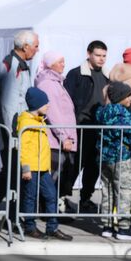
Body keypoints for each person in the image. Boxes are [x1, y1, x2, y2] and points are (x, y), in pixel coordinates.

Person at [0, 30, 39, 214]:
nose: (37, 49)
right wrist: (14, 132)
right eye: (35, 46)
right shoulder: (13, 66)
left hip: (12, 125)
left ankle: (8, 213)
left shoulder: (20, 64)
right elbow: (8, 104)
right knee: (11, 171)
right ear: (25, 46)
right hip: (9, 127)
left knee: (12, 171)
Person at [16, 87, 69, 240]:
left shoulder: (40, 121)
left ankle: (52, 227)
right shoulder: (26, 123)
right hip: (31, 169)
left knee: (51, 195)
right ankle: (29, 227)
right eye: (45, 103)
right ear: (36, 104)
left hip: (43, 168)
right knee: (30, 197)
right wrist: (25, 168)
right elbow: (23, 149)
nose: (48, 105)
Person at [64, 40, 109, 217]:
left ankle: (85, 198)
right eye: (98, 55)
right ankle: (62, 197)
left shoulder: (107, 75)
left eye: (104, 56)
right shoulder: (76, 74)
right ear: (89, 54)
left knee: (94, 166)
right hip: (81, 127)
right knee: (75, 165)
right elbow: (67, 101)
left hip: (99, 128)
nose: (101, 59)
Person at [96, 81, 131, 241]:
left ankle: (107, 226)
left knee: (107, 191)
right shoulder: (122, 113)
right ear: (119, 97)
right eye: (128, 95)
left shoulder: (102, 112)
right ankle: (123, 228)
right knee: (124, 191)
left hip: (105, 157)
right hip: (122, 156)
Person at [34, 52, 78, 220]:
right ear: (50, 64)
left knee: (54, 178)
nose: (63, 65)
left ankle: (49, 211)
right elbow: (53, 113)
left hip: (59, 139)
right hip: (55, 140)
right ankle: (47, 212)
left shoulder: (56, 82)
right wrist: (64, 136)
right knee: (50, 179)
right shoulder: (48, 84)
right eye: (60, 62)